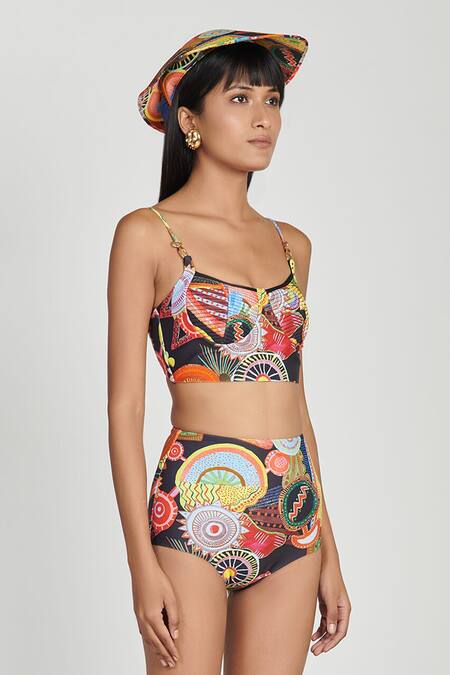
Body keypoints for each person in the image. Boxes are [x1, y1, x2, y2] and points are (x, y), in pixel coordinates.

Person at [107, 29, 351, 674]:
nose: (263, 118)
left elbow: (295, 402)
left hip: (292, 507)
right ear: (189, 120)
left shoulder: (293, 245)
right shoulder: (148, 235)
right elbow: (125, 411)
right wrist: (140, 567)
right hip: (193, 504)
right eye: (240, 98)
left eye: (272, 100)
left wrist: (329, 551)